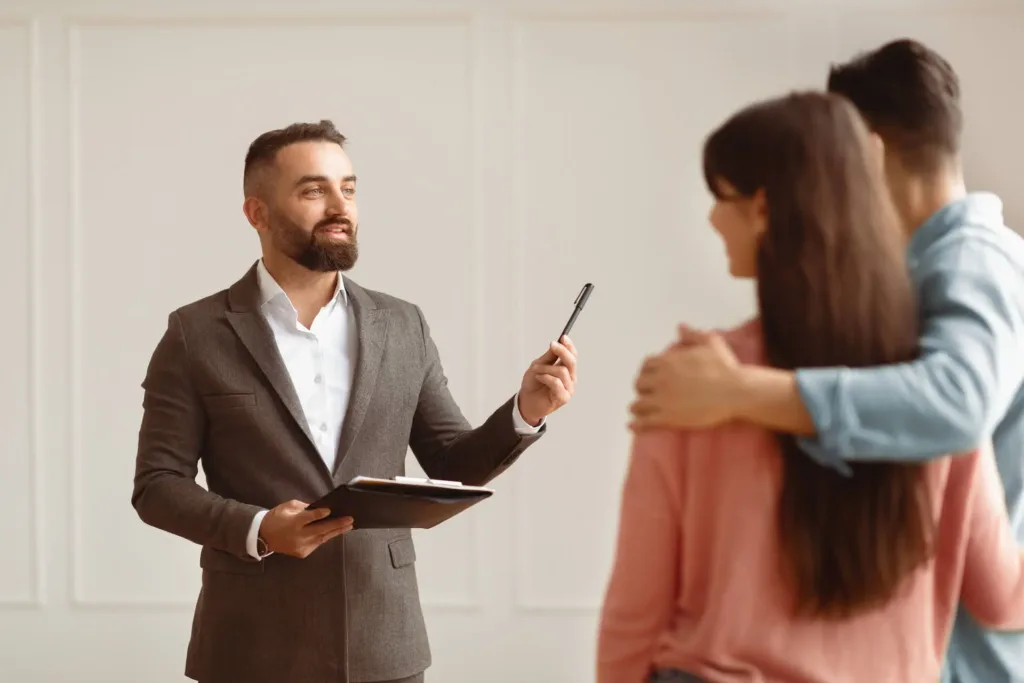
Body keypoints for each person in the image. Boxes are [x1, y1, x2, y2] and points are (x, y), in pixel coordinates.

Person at [629, 39, 1024, 683]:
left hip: (967, 652)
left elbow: (960, 403)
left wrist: (742, 392)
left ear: (864, 151)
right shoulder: (913, 276)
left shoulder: (972, 259)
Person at [131, 119, 579, 683]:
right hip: (250, 647)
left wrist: (526, 410)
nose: (340, 206)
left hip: (384, 644)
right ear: (257, 213)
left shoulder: (403, 324)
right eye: (313, 190)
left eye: (348, 188)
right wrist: (260, 527)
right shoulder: (196, 333)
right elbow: (157, 485)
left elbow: (451, 461)